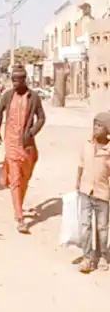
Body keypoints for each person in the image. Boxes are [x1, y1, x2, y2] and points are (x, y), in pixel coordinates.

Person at [0, 64, 46, 234]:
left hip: (27, 144)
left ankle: (19, 206)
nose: (15, 83)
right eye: (13, 80)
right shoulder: (8, 95)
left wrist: (32, 132)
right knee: (15, 178)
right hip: (11, 143)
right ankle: (20, 217)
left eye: (18, 80)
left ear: (25, 80)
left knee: (25, 177)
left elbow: (41, 118)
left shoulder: (34, 97)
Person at [75, 112, 110, 273]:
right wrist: (78, 180)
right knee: (85, 225)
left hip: (102, 194)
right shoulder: (86, 144)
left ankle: (103, 255)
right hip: (85, 190)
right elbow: (81, 164)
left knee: (102, 228)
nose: (96, 128)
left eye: (100, 126)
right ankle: (87, 257)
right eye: (95, 124)